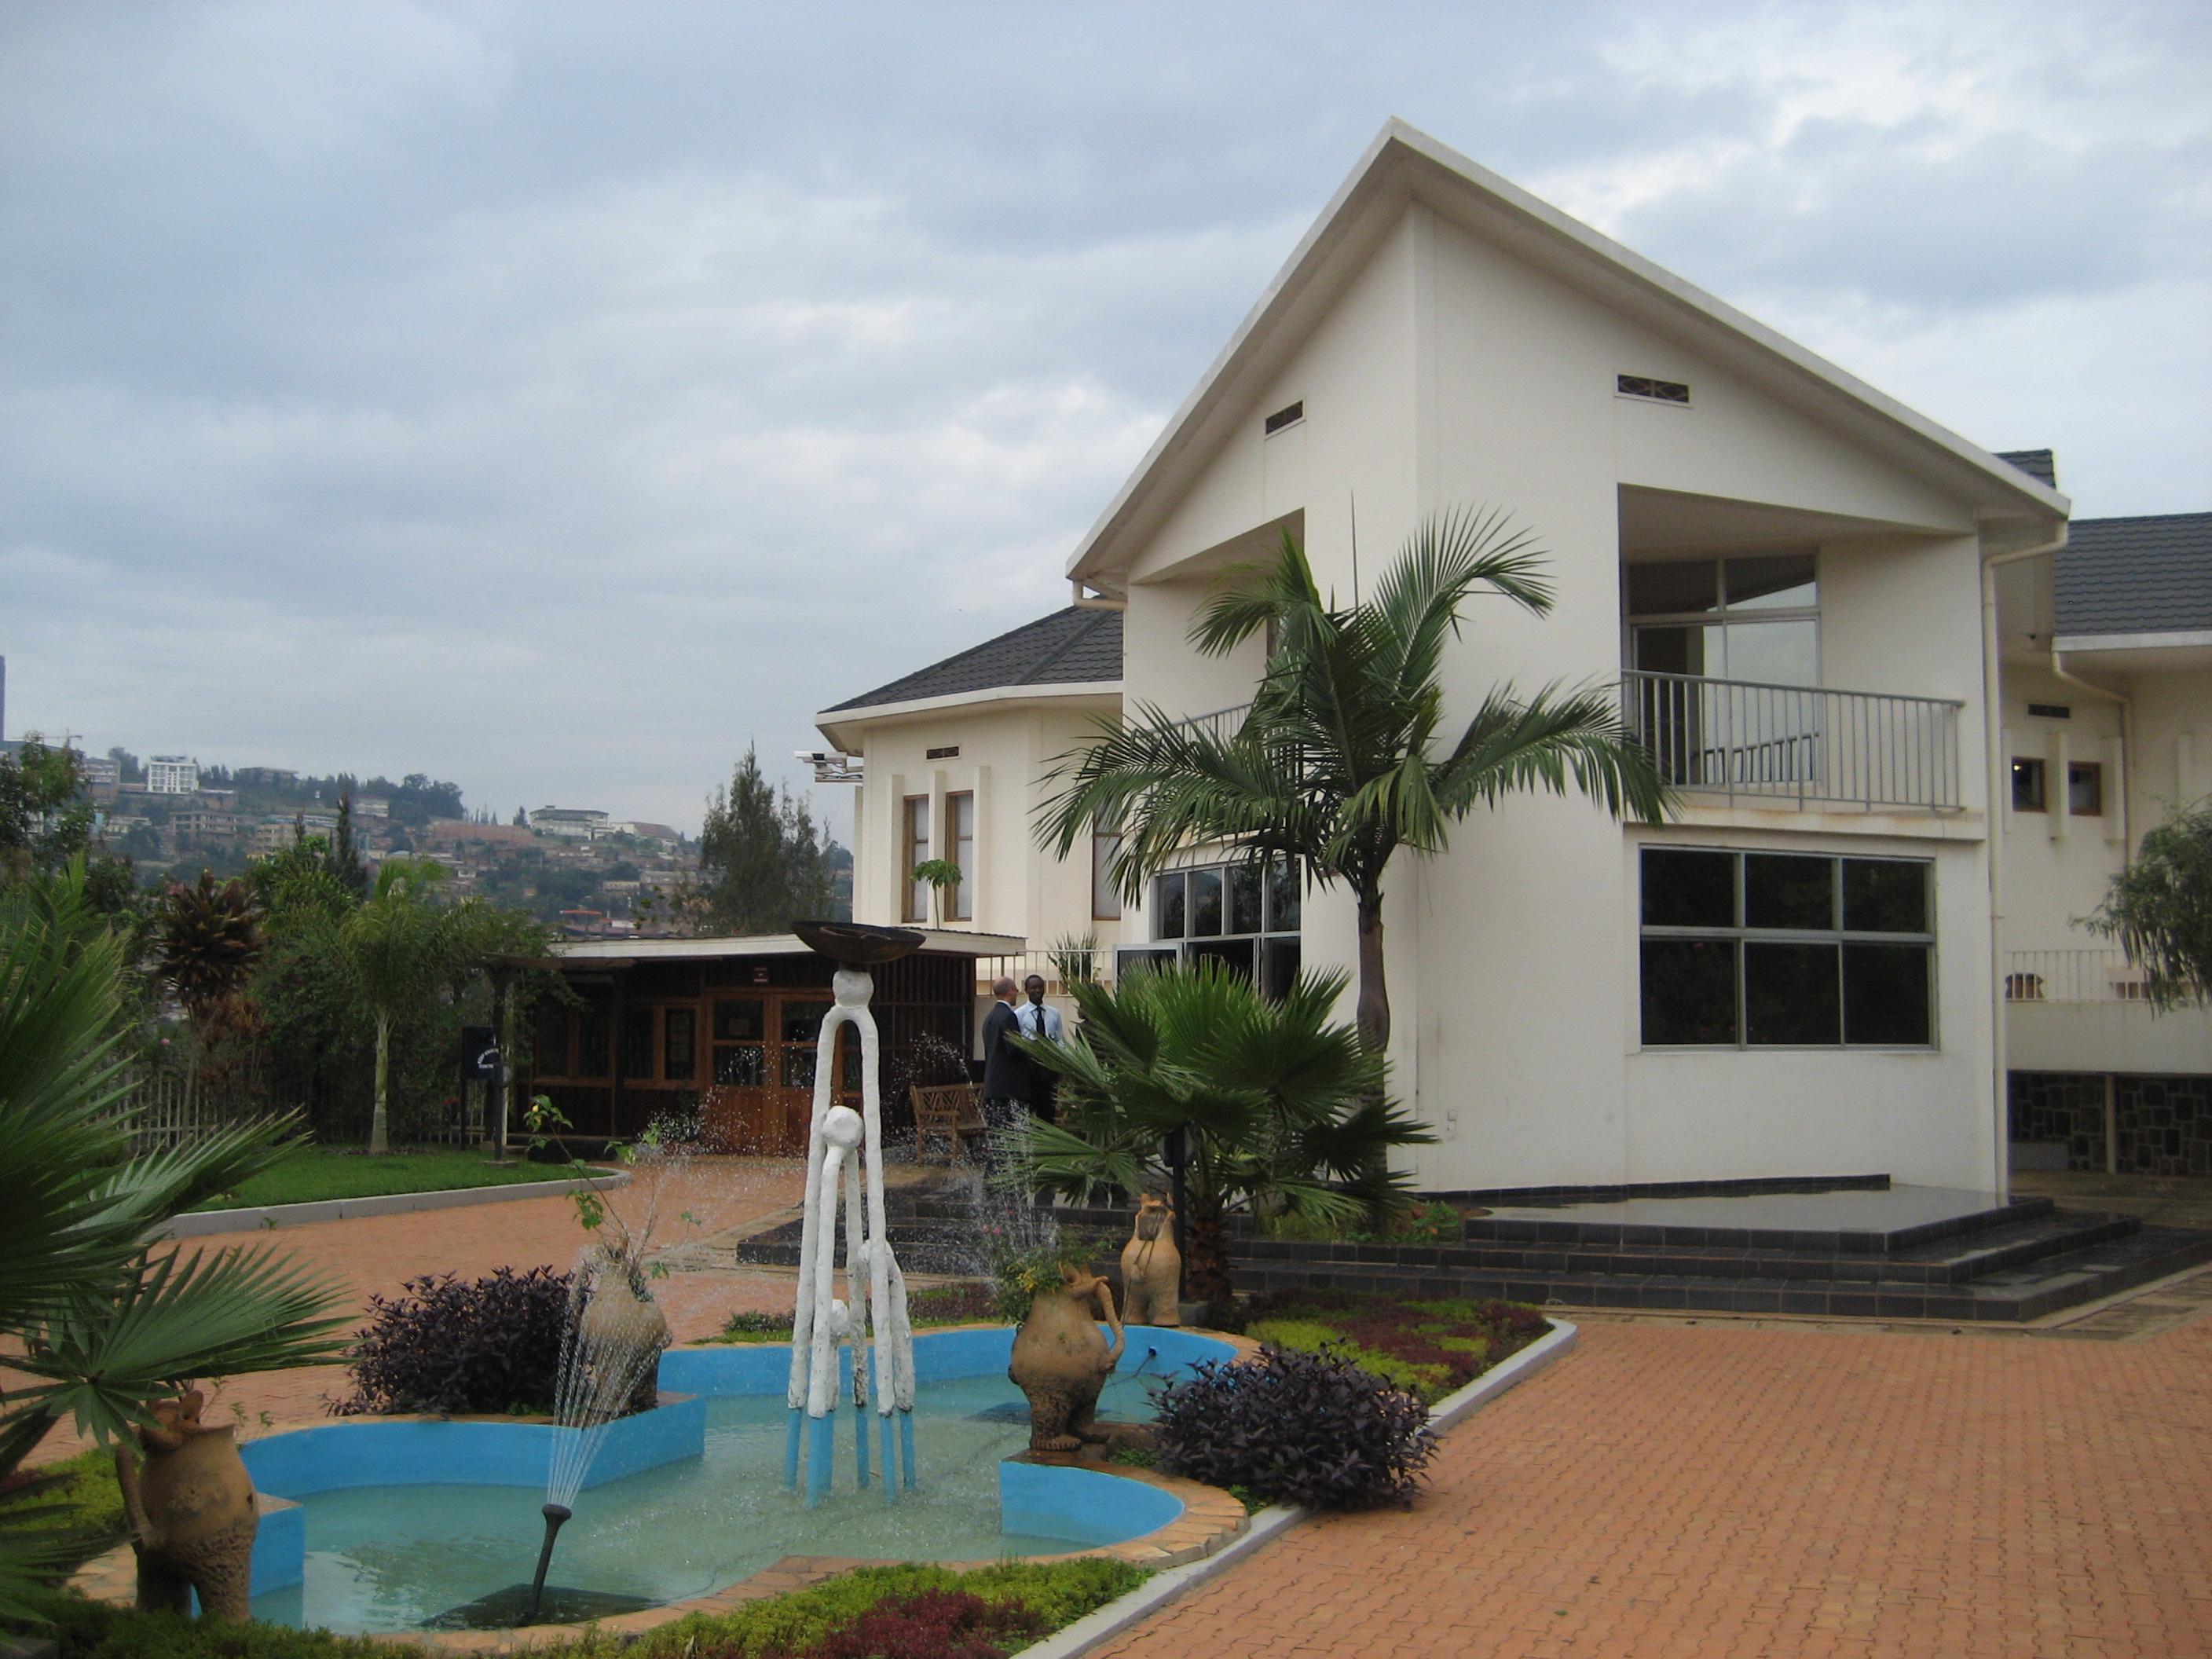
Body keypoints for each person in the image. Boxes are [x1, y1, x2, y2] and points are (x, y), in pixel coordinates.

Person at [980, 976, 1030, 1136]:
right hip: (1008, 1085)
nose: (1017, 993)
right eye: (1015, 989)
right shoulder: (1008, 1016)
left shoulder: (990, 1017)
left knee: (996, 1131)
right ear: (1010, 990)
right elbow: (1013, 1048)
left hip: (993, 1084)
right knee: (1009, 1131)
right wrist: (1031, 1049)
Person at [1016, 973, 1065, 1122]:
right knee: (1030, 1112)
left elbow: (1060, 1041)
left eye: (1040, 987)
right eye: (1033, 988)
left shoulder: (1054, 1014)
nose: (1037, 990)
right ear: (1026, 990)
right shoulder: (1019, 1015)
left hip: (1049, 1071)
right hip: (1029, 1071)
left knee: (1048, 1111)